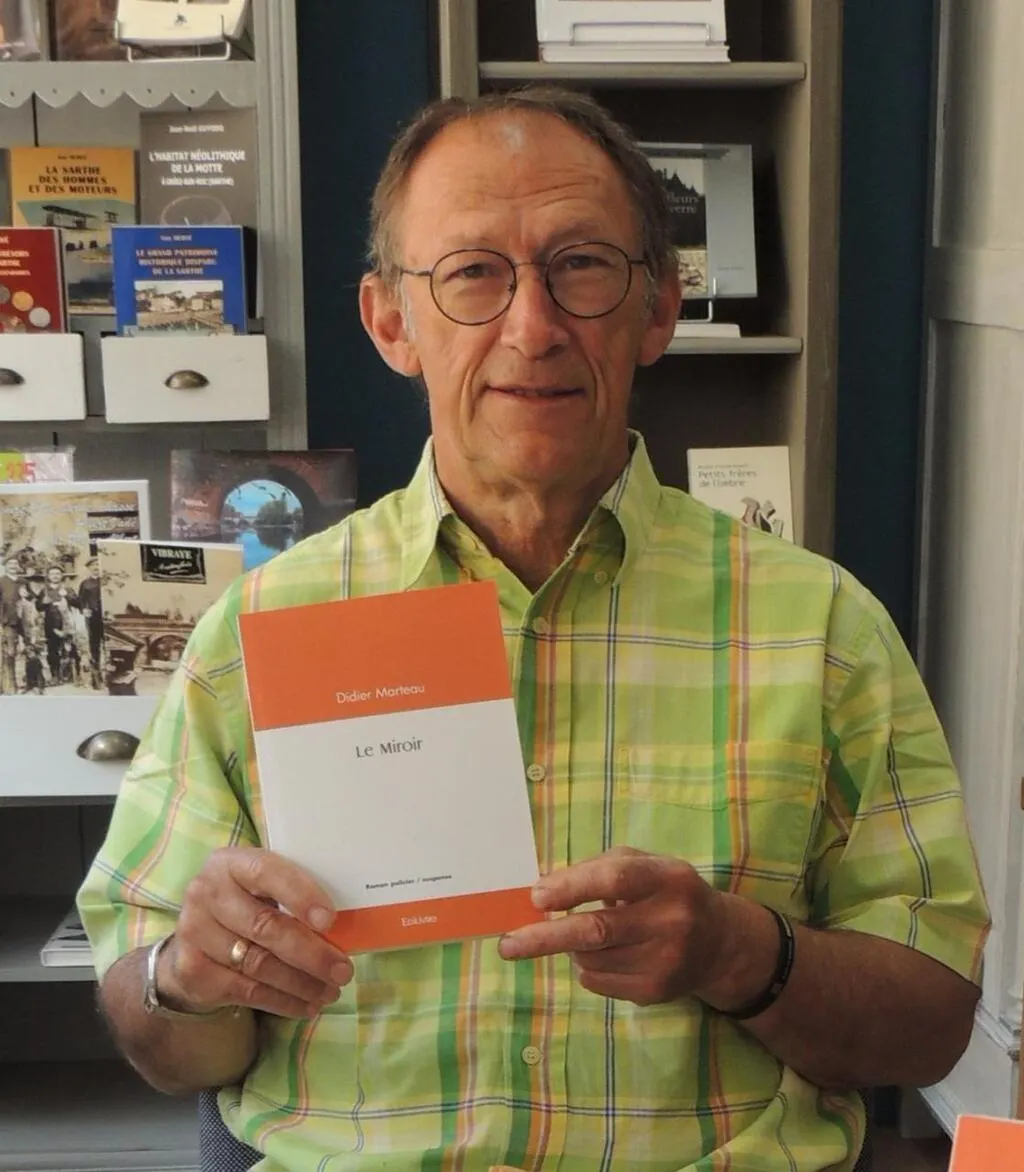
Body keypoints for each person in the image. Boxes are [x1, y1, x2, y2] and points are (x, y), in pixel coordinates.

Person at [78, 87, 990, 1172]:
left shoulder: (823, 628)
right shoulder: (261, 629)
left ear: (659, 307)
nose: (532, 326)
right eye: (473, 273)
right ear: (390, 322)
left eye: (581, 265)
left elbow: (931, 1022)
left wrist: (740, 952)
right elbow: (162, 1038)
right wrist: (190, 976)